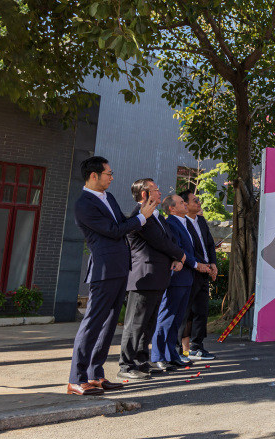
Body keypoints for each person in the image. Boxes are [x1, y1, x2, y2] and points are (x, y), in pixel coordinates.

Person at [68, 156, 157, 395]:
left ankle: (95, 374)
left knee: (108, 325)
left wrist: (140, 216)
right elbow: (113, 230)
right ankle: (76, 378)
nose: (112, 178)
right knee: (92, 323)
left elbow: (122, 224)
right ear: (94, 175)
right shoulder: (84, 204)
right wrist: (141, 217)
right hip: (104, 270)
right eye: (108, 173)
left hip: (120, 267)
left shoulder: (109, 198)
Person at [118, 179, 186, 380]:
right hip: (144, 277)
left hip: (158, 277)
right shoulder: (139, 216)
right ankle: (126, 365)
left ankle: (141, 361)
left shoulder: (157, 216)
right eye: (155, 190)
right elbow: (159, 241)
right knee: (135, 324)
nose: (159, 192)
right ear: (144, 194)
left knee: (148, 324)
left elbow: (171, 239)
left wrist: (176, 257)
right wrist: (181, 255)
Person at [151, 194, 211, 371]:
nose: (185, 204)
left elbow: (193, 248)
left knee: (177, 319)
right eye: (181, 202)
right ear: (172, 208)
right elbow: (178, 248)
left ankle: (171, 355)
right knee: (167, 317)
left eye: (185, 202)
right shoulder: (171, 223)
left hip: (187, 277)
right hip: (176, 277)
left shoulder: (185, 223)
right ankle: (158, 356)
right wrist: (196, 264)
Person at [180, 190, 219, 361]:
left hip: (205, 271)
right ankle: (180, 349)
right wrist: (201, 264)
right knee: (186, 311)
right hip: (191, 271)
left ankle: (197, 346)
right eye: (195, 200)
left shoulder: (201, 220)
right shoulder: (182, 222)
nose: (199, 203)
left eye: (198, 200)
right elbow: (187, 250)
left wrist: (213, 263)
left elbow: (209, 244)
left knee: (201, 310)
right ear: (185, 204)